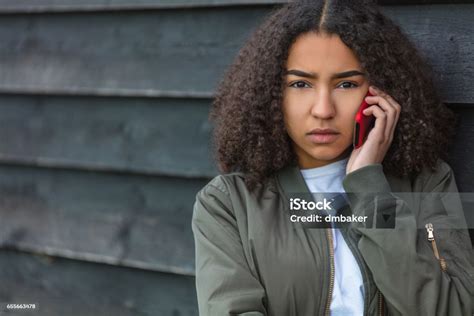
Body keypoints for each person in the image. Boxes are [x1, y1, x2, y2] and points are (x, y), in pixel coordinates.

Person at [191, 0, 474, 315]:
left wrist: (368, 187)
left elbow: (455, 309)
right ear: (271, 94)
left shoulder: (428, 183)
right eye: (300, 84)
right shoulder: (229, 204)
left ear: (381, 93)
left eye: (346, 84)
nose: (323, 109)